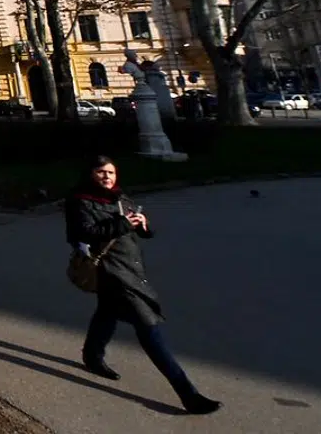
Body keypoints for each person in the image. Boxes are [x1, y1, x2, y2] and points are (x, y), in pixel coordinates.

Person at [66, 156, 221, 415]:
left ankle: (92, 356)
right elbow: (82, 234)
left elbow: (136, 229)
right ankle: (188, 394)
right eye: (101, 172)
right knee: (149, 328)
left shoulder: (119, 197)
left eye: (112, 172)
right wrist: (124, 224)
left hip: (131, 268)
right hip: (111, 272)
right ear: (90, 174)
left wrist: (144, 226)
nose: (107, 177)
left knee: (107, 311)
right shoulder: (80, 201)